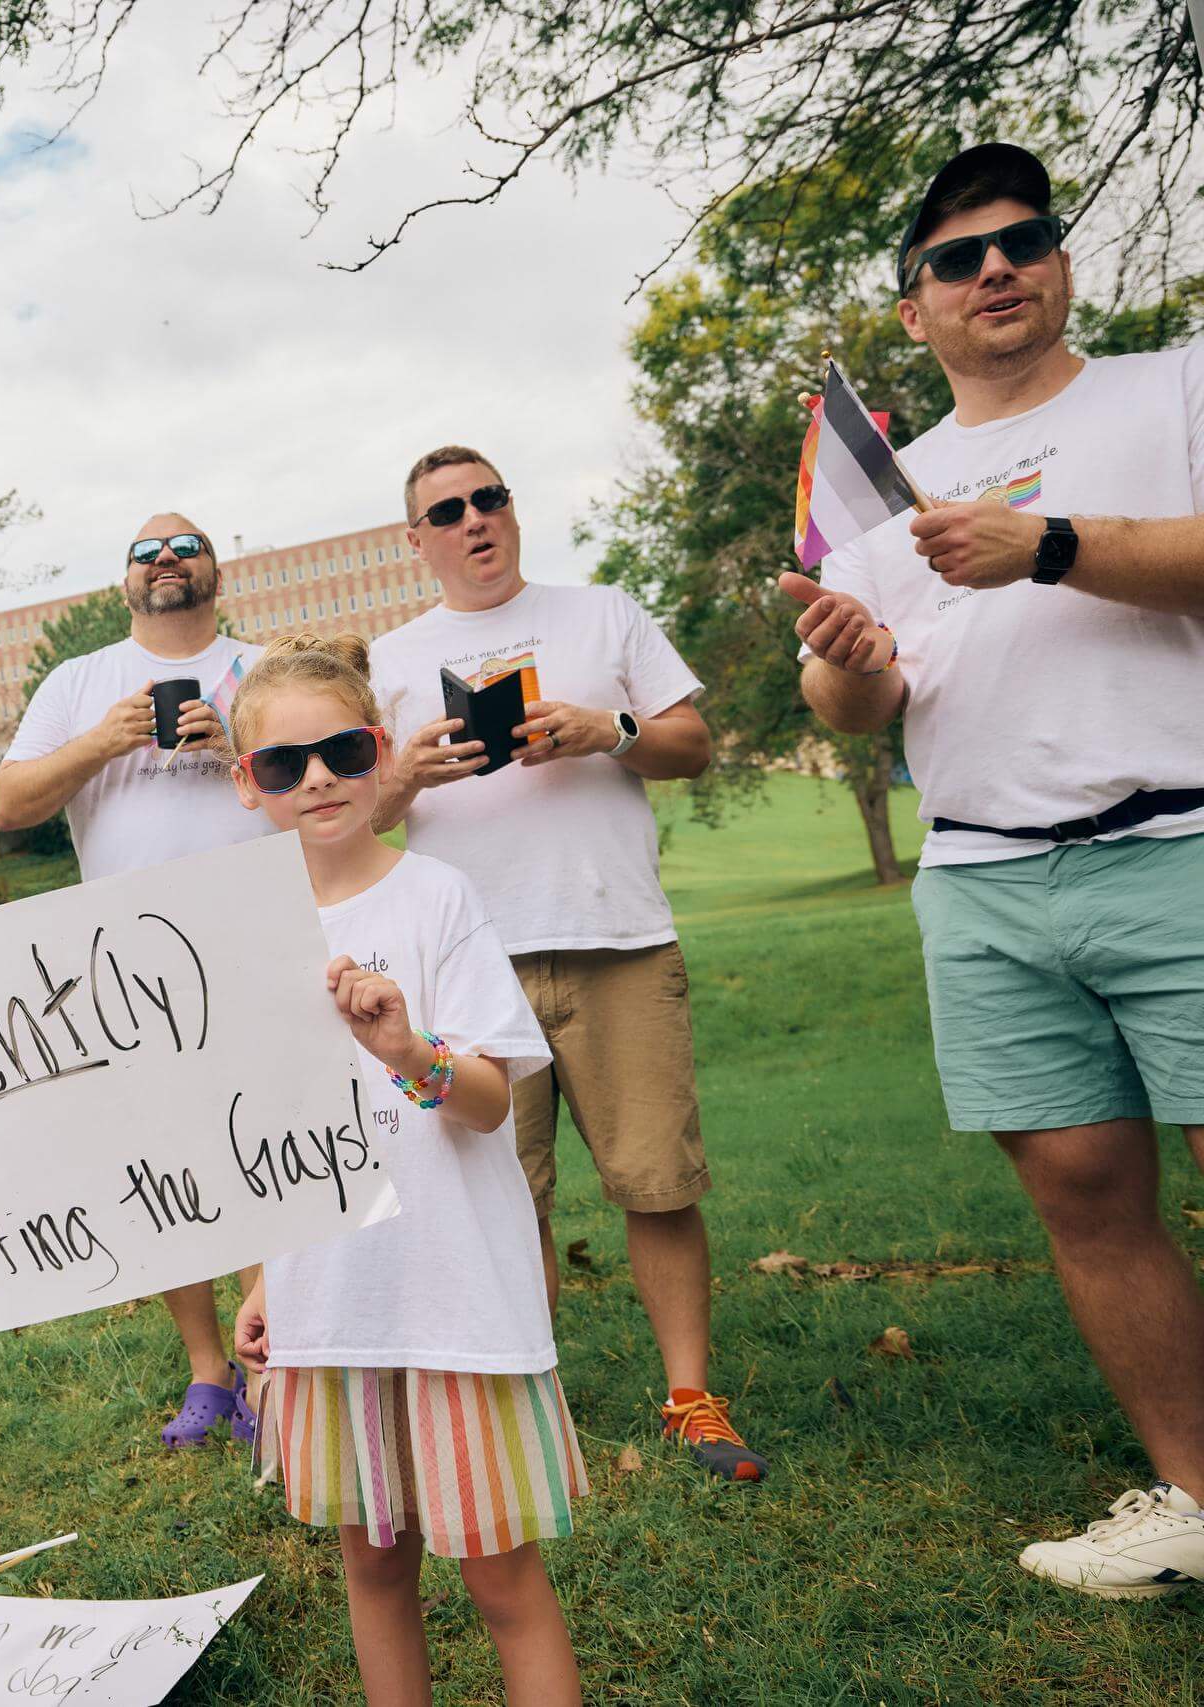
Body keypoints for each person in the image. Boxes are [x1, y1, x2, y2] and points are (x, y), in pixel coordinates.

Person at [785, 140, 1204, 1597]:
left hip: (1184, 835)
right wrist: (852, 661)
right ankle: (1200, 1493)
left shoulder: (1173, 386)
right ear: (917, 310)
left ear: (1061, 260)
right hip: (983, 876)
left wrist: (1055, 543)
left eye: (1020, 239)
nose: (996, 270)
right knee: (1085, 1191)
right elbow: (858, 705)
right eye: (957, 259)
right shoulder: (884, 494)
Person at [366, 450, 761, 1483]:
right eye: (445, 512)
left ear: (511, 510)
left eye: (488, 499)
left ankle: (690, 1401)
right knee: (505, 1195)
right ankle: (526, 1411)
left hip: (615, 940)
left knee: (657, 1183)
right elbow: (350, 817)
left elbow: (692, 745)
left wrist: (605, 730)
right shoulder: (392, 660)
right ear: (418, 541)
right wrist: (405, 771)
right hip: (467, 964)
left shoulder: (602, 613)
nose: (473, 521)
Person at [228, 633, 584, 1706]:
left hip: (452, 1301)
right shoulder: (236, 935)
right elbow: (255, 1142)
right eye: (285, 765)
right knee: (371, 1567)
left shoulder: (435, 898)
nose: (319, 780)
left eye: (342, 750)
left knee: (501, 1579)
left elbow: (487, 1105)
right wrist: (256, 1279)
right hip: (329, 1303)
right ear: (248, 786)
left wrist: (408, 1052)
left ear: (381, 753)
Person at [0, 511, 267, 1448]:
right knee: (162, 1167)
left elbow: (333, 786)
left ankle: (278, 1356)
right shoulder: (79, 683)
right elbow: (8, 805)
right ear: (125, 583)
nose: (166, 561)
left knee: (272, 1141)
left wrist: (238, 748)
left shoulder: (264, 669)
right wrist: (101, 742)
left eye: (186, 545)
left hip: (254, 942)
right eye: (145, 551)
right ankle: (208, 1370)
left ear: (216, 570)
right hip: (126, 969)